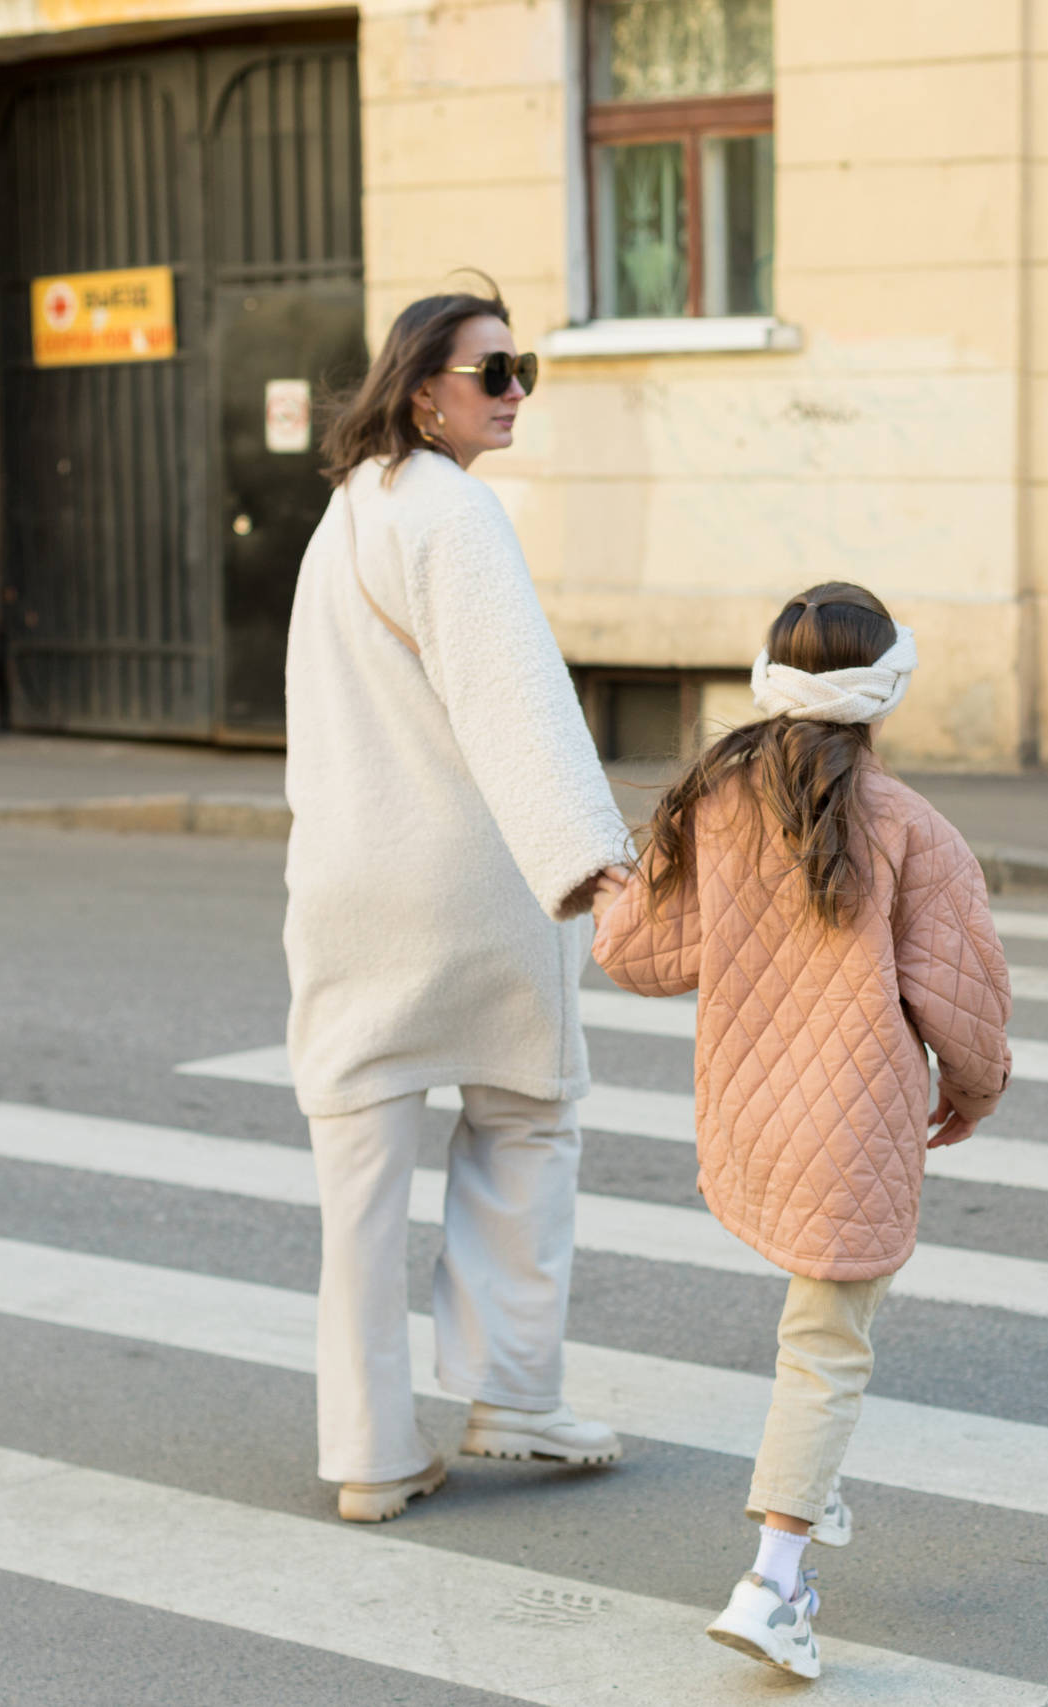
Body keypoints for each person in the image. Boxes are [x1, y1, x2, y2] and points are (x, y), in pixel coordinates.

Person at [589, 584, 1013, 1680]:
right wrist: (976, 1088)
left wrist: (611, 892)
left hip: (749, 1107)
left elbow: (639, 957)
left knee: (813, 1336)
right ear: (887, 692)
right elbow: (962, 1002)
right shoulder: (912, 826)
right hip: (854, 1123)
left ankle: (809, 1493)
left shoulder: (715, 806)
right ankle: (773, 1585)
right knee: (825, 1348)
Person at [284, 281, 632, 1524]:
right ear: (423, 387)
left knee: (361, 1172)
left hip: (342, 876)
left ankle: (369, 1453)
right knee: (528, 1115)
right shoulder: (456, 515)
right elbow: (516, 706)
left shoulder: (349, 510)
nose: (516, 391)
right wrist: (594, 861)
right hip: (468, 874)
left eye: (522, 366)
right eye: (494, 372)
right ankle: (514, 1393)